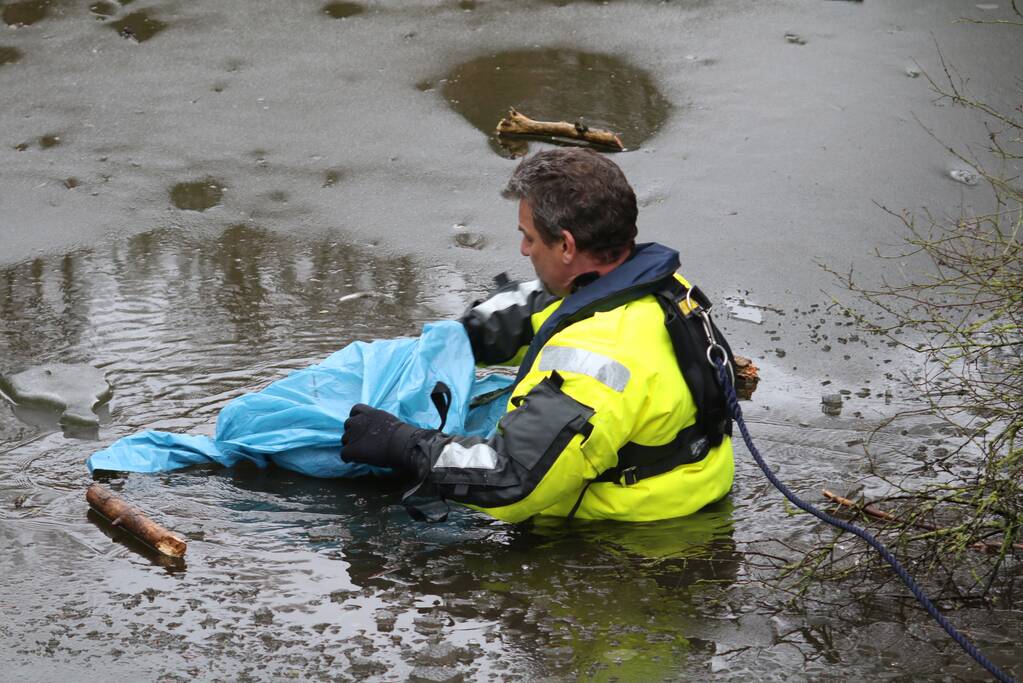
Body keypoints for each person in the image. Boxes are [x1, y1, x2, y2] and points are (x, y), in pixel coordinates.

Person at [341, 147, 735, 523]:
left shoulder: (597, 357)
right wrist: (467, 336)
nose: (523, 249)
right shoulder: (658, 287)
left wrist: (402, 443)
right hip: (694, 484)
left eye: (529, 236)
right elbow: (546, 307)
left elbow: (508, 477)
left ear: (566, 245)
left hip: (631, 534)